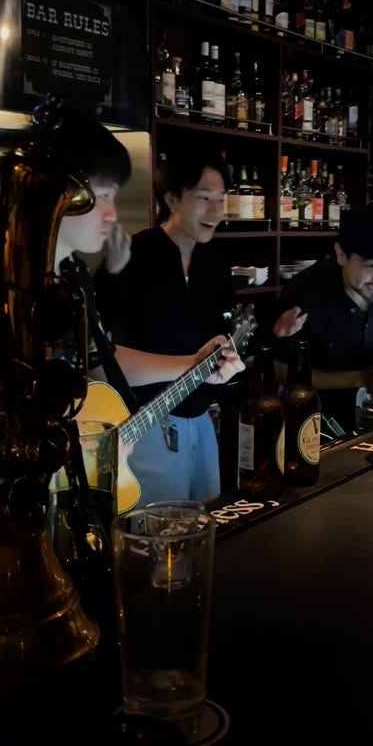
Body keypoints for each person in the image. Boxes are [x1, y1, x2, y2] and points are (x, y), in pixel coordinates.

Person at [98, 148, 238, 503]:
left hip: (203, 420)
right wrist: (110, 273)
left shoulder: (217, 263)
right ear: (172, 199)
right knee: (158, 530)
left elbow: (223, 334)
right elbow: (100, 353)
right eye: (204, 198)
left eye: (221, 200)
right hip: (145, 427)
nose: (216, 211)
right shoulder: (135, 254)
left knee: (210, 520)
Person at [273, 204, 373, 433]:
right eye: (371, 265)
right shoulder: (305, 292)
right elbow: (279, 369)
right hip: (324, 424)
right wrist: (362, 378)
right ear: (341, 254)